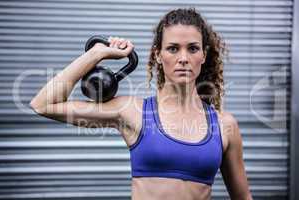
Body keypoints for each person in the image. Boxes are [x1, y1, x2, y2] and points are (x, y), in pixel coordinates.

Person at [30, 8, 252, 200]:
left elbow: (242, 197)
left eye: (192, 48)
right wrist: (97, 54)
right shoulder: (132, 112)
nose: (183, 58)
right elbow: (43, 104)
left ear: (204, 55)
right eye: (173, 48)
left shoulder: (224, 126)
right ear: (157, 54)